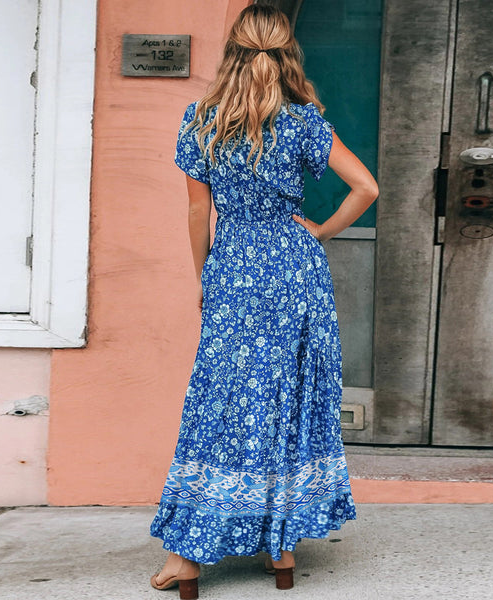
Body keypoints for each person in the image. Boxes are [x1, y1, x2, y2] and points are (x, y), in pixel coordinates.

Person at [149, 4, 378, 598]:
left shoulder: (201, 120)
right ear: (287, 52)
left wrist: (207, 276)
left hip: (236, 268)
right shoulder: (304, 121)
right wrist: (320, 232)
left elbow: (200, 210)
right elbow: (367, 188)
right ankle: (281, 549)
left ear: (233, 50)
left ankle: (188, 560)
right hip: (295, 270)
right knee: (289, 397)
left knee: (222, 403)